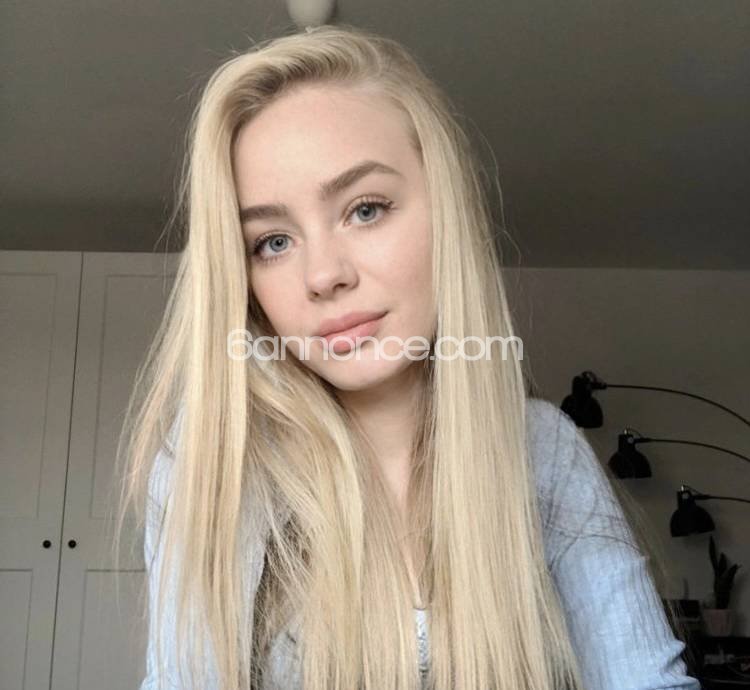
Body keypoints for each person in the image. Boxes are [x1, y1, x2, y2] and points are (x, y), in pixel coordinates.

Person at [116, 23, 702, 690]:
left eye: (365, 210)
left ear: (445, 209)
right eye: (272, 242)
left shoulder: (544, 451)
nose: (323, 275)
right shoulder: (213, 457)